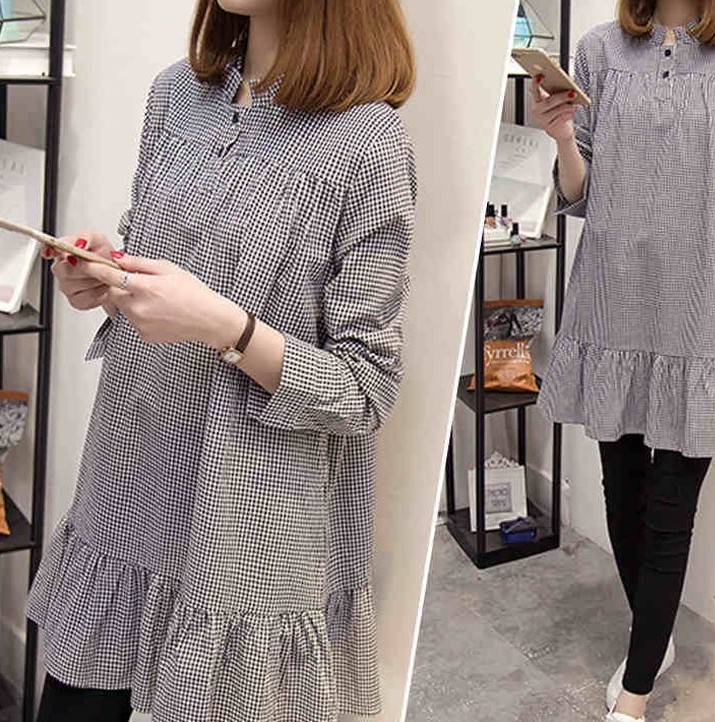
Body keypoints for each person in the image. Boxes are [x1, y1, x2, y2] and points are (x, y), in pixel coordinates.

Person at [28, 1, 417, 720]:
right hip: (129, 481)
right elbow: (163, 271)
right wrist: (108, 277)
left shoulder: (368, 142)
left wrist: (224, 327)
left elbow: (366, 389)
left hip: (243, 523)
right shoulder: (176, 94)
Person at [532, 0, 715, 720]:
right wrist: (562, 137)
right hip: (611, 307)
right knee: (624, 497)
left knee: (671, 515)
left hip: (698, 321)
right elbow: (581, 194)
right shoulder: (599, 51)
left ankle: (633, 700)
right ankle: (656, 637)